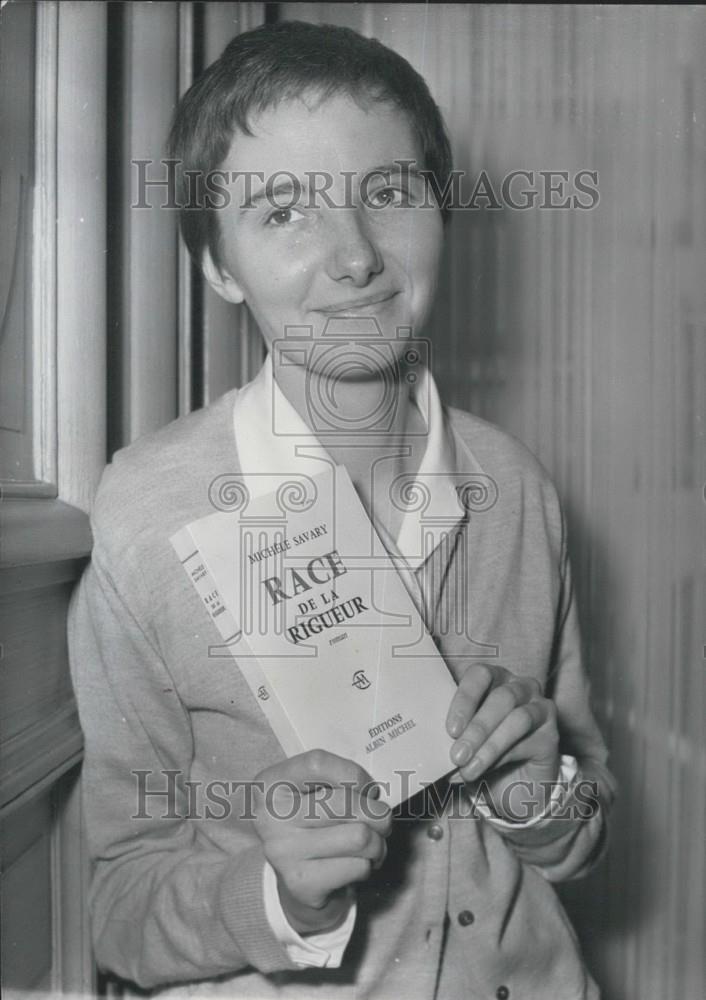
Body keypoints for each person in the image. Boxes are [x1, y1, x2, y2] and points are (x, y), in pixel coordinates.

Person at [68, 20, 617, 1000]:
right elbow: (119, 901)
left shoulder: (518, 486)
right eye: (284, 211)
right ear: (217, 265)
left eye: (390, 193)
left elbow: (582, 833)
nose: (354, 256)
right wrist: (279, 898)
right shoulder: (147, 514)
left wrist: (540, 795)